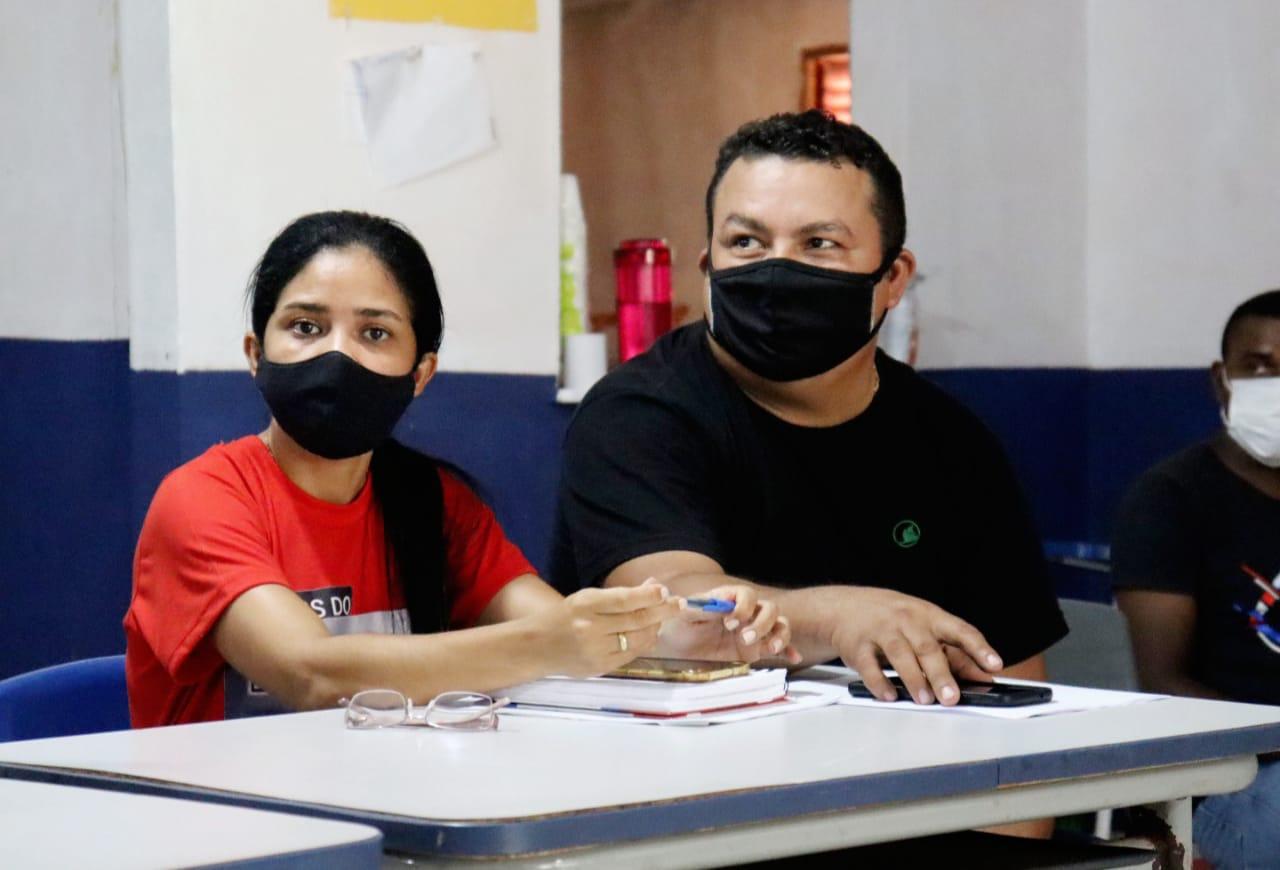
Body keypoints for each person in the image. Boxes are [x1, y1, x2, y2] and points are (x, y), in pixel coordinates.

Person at [124, 210, 791, 728]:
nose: (337, 355)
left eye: (375, 333)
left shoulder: (433, 503)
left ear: (422, 374)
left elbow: (560, 628)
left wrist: (676, 637)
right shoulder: (203, 500)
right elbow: (310, 674)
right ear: (254, 351)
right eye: (304, 326)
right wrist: (550, 643)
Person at [552, 110, 1067, 713]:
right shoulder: (637, 415)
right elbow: (672, 613)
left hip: (906, 791)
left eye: (818, 244)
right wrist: (844, 615)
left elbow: (1018, 702)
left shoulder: (952, 443)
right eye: (746, 242)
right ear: (707, 268)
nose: (775, 271)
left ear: (893, 277)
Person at [1112, 289, 1280, 868]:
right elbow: (1161, 682)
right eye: (1260, 366)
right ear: (1221, 379)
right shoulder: (1172, 499)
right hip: (1224, 777)